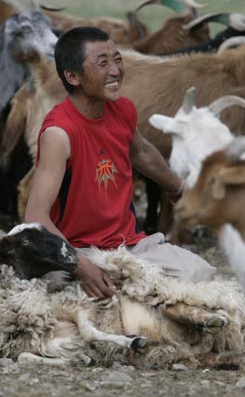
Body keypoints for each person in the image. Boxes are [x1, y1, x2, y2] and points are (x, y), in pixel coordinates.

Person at [24, 26, 215, 299]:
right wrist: (81, 266)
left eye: (117, 59)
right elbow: (35, 216)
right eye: (102, 63)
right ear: (73, 76)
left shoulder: (123, 109)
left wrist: (178, 189)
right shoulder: (60, 132)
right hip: (77, 249)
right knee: (58, 295)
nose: (115, 71)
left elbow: (142, 152)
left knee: (200, 275)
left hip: (130, 248)